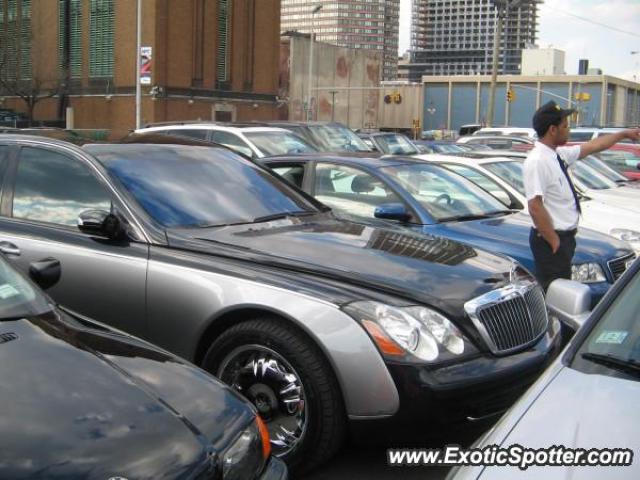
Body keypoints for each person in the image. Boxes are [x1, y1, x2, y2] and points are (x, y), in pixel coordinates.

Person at [523, 101, 640, 291]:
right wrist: (554, 241)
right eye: (565, 126)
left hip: (564, 239)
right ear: (553, 130)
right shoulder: (538, 161)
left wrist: (623, 134)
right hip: (550, 242)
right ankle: (552, 322)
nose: (568, 130)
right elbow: (535, 206)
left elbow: (594, 146)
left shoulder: (557, 155)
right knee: (556, 294)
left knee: (564, 290)